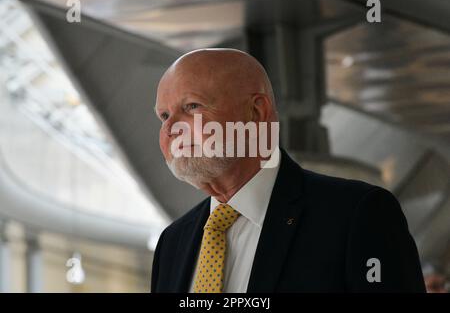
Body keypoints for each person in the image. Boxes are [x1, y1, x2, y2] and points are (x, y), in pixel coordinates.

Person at [151, 48, 426, 293]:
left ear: (256, 112)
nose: (171, 128)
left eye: (192, 106)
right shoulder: (172, 243)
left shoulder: (357, 215)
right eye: (164, 115)